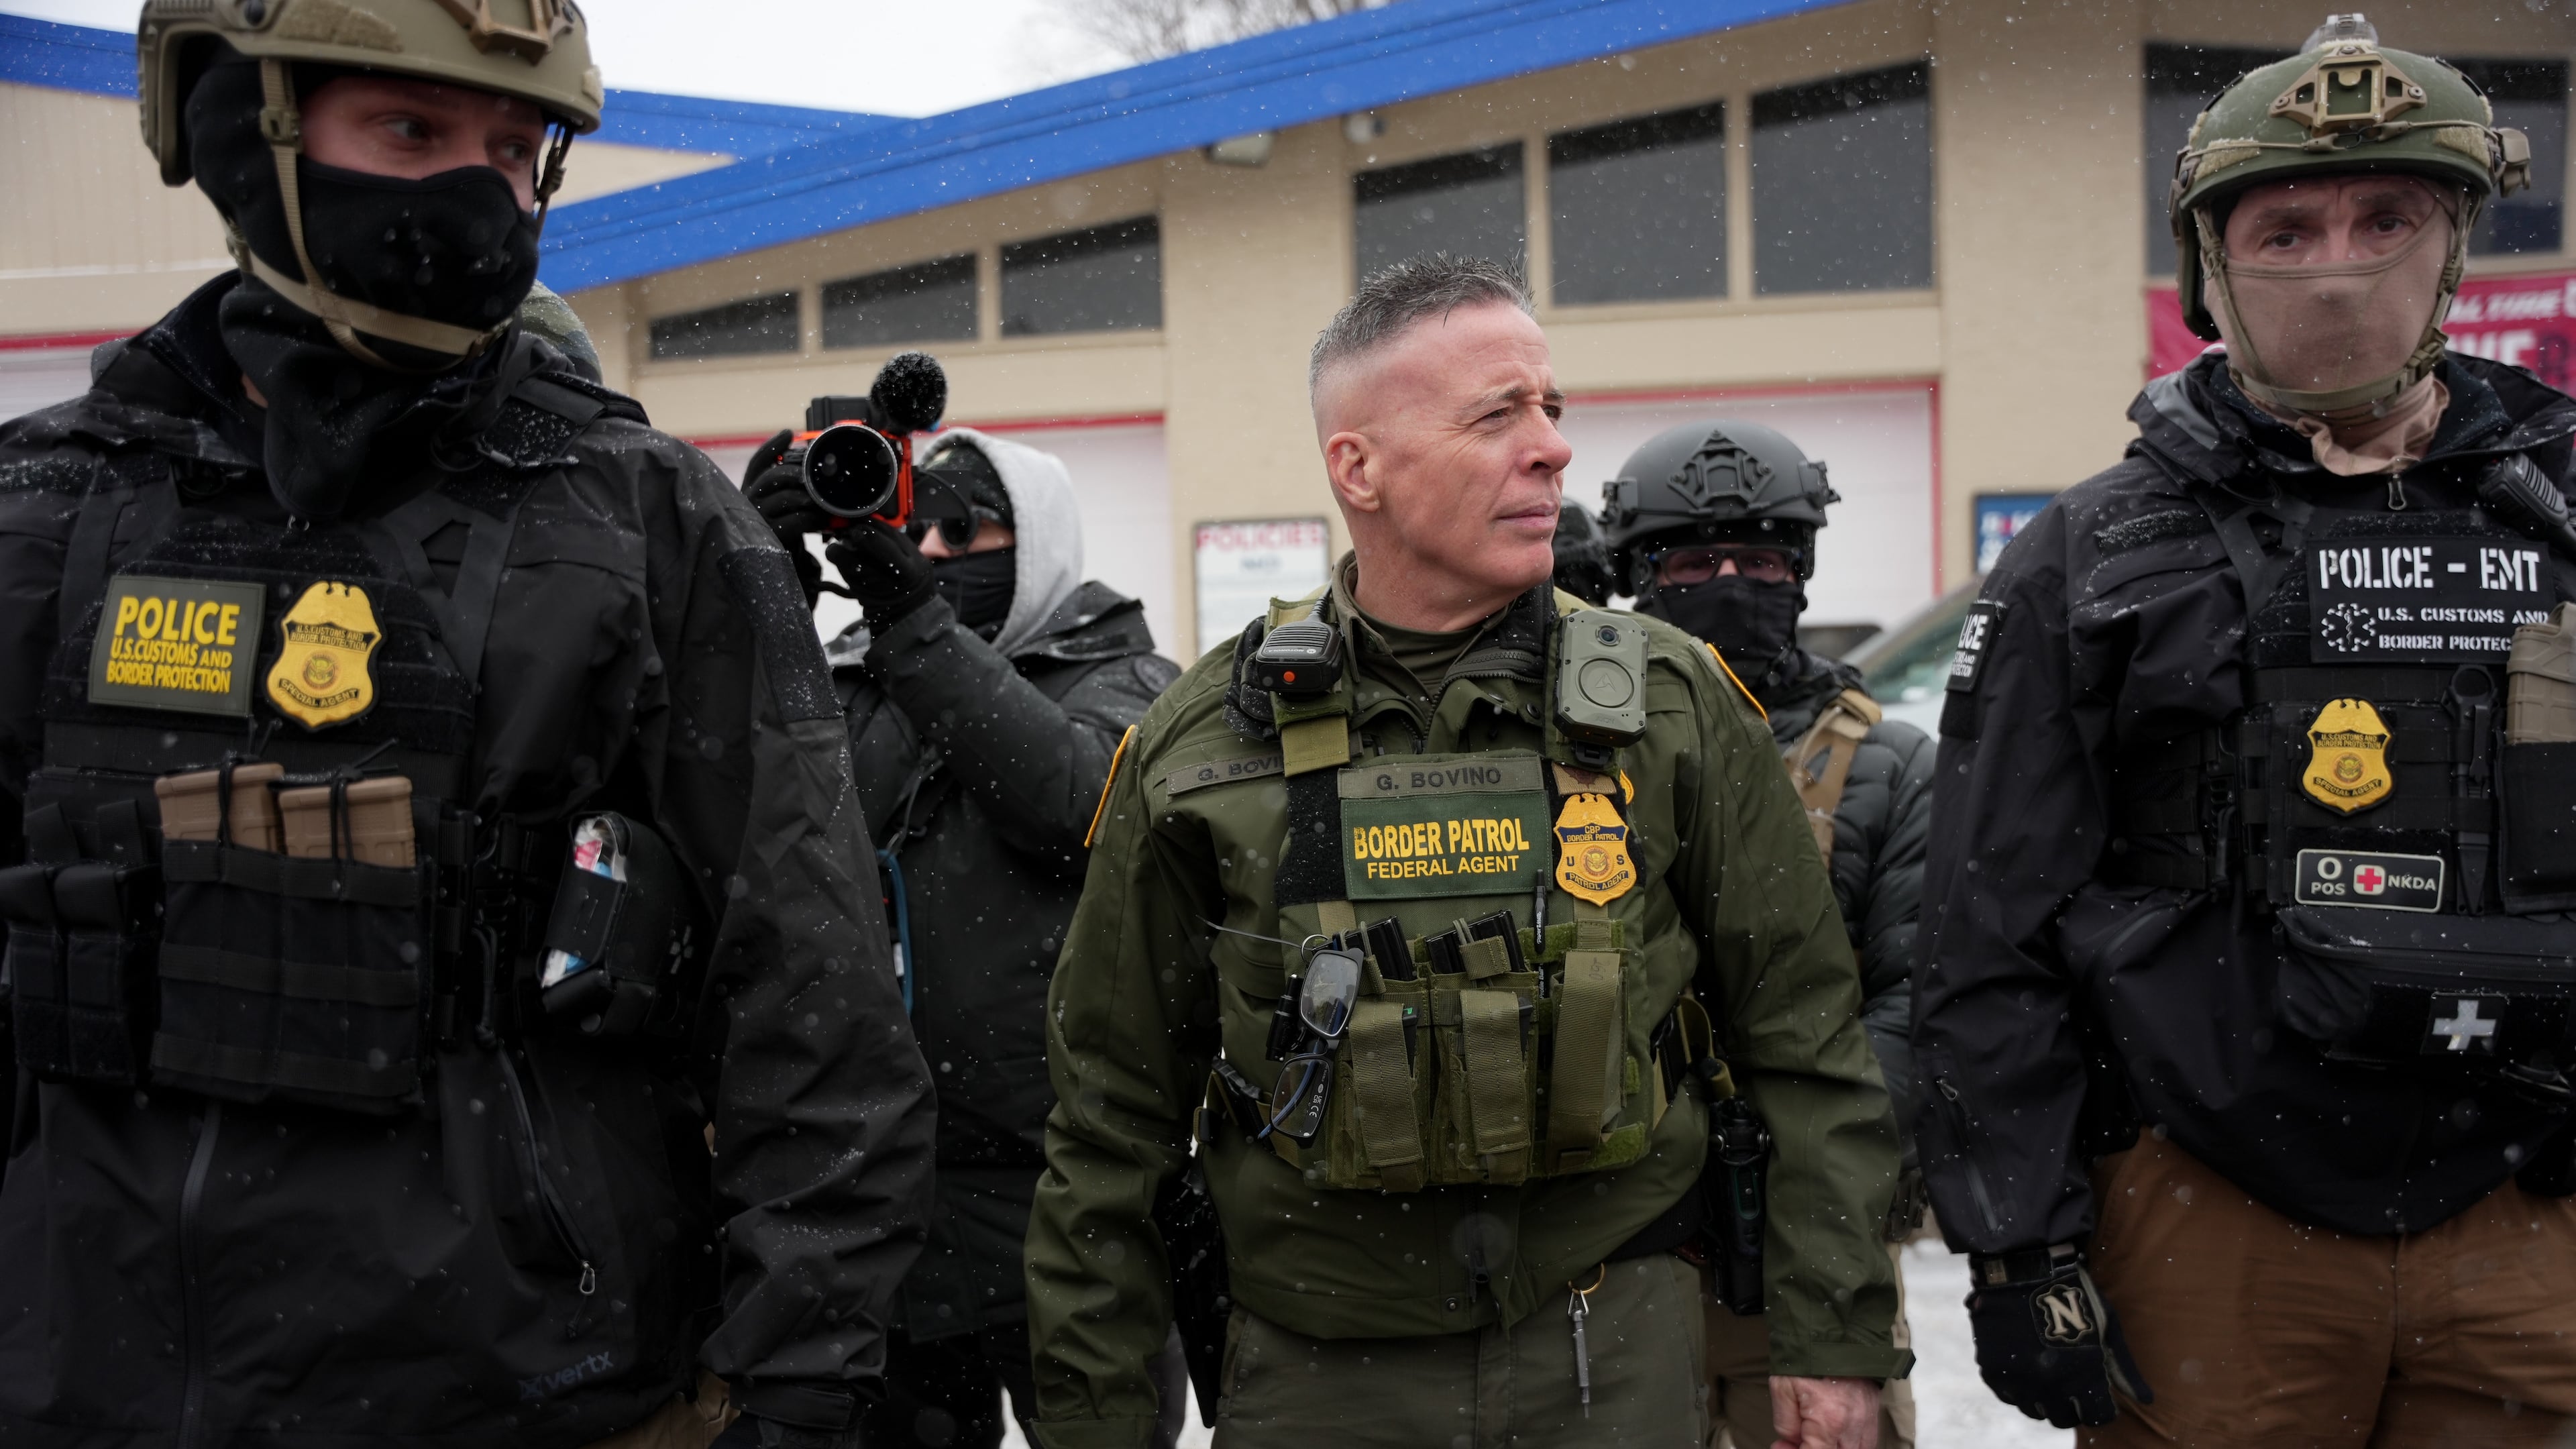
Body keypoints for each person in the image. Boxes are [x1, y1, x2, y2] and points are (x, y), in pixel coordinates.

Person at [0, 4, 934, 1446]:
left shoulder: (641, 521)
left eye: (513, 149)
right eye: (410, 131)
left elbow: (810, 1000)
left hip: (534, 1396)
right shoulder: (48, 511)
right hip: (90, 1387)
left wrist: (800, 1386)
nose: (478, 194)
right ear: (241, 123)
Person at [1023, 254, 1906, 1449]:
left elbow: (1806, 1039)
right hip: (1319, 1373)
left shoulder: (1671, 702)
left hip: (1618, 1349)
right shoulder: (1204, 740)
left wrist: (1832, 1337)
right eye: (1497, 415)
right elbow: (1110, 1115)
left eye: (1550, 411)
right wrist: (1101, 1420)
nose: (1550, 449)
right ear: (1359, 467)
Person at [1917, 15, 2576, 1445]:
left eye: (2386, 216)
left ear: (2459, 237)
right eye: (2287, 228)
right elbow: (1983, 932)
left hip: (2527, 1207)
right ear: (2211, 265)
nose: (2340, 264)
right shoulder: (2093, 554)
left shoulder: (2565, 518)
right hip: (2213, 1213)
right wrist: (2018, 1245)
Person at [744, 429, 1181, 1449]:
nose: (935, 552)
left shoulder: (1120, 672)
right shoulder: (859, 675)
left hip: (1070, 1195)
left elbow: (1078, 806)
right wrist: (764, 588)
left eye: (963, 529)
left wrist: (913, 620)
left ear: (1037, 539)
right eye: (919, 529)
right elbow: (742, 800)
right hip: (885, 1192)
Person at [1596, 421, 1931, 1449]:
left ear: (1804, 572)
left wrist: (1797, 1181)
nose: (1732, 580)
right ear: (1638, 578)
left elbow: (1916, 1009)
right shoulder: (1580, 750)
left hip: (1806, 1253)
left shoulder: (1891, 768)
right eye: (1693, 560)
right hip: (1614, 1254)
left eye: (1763, 557)